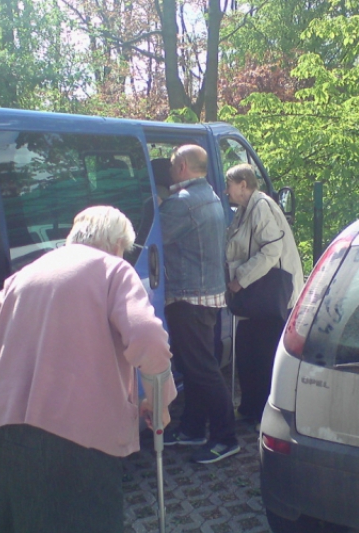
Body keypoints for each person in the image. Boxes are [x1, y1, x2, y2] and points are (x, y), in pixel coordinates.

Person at [0, 205, 176, 533]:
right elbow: (148, 338)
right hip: (77, 438)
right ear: (118, 244)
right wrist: (158, 401)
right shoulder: (114, 270)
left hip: (4, 429)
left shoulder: (26, 273)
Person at [159, 144, 240, 464]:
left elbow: (149, 238)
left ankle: (225, 437)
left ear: (181, 167)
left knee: (203, 369)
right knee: (197, 367)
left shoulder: (181, 203)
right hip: (208, 295)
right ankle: (192, 428)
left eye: (170, 164)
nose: (167, 168)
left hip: (188, 297)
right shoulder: (210, 195)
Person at [224, 164, 304, 425]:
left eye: (230, 185)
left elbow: (271, 250)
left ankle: (264, 413)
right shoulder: (246, 209)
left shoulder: (260, 207)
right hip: (259, 296)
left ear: (243, 185)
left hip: (267, 295)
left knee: (262, 353)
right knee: (249, 351)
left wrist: (240, 279)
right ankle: (251, 409)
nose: (226, 191)